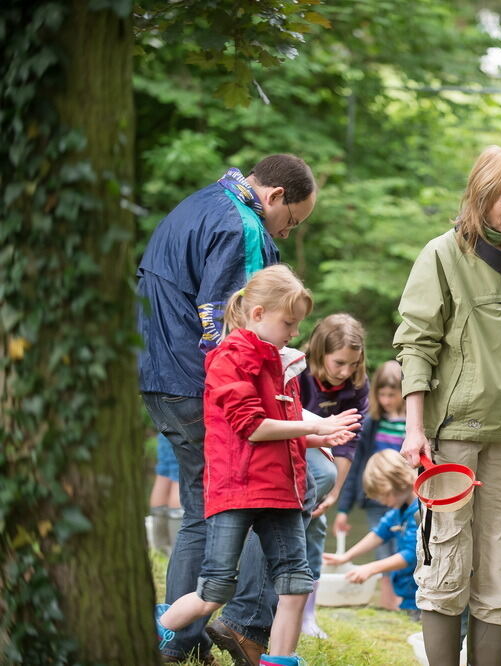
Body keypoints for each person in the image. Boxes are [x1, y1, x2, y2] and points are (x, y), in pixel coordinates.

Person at [394, 145, 501, 666]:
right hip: (453, 434)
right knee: (448, 560)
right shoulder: (442, 256)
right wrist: (413, 429)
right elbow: (416, 346)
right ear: (481, 198)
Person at [138, 154, 317, 663]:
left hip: (159, 377)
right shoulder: (243, 225)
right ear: (276, 197)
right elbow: (228, 321)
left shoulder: (194, 207)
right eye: (292, 221)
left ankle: (190, 635)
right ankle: (221, 628)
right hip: (198, 387)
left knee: (203, 509)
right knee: (242, 500)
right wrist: (278, 365)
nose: (286, 230)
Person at [154, 265, 360, 666]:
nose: (295, 332)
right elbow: (252, 427)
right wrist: (316, 422)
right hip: (239, 491)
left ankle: (279, 661)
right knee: (214, 591)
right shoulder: (229, 359)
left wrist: (317, 437)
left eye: (298, 324)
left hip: (281, 492)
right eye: (289, 322)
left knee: (296, 583)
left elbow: (279, 428)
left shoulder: (280, 363)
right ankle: (156, 633)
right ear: (258, 313)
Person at [296, 313, 370, 637]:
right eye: (339, 363)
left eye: (353, 364)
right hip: (287, 452)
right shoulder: (295, 372)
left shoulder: (356, 385)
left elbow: (349, 442)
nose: (346, 372)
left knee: (316, 527)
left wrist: (334, 493)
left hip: (323, 468)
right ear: (318, 352)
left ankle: (306, 615)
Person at [334, 360, 407, 610]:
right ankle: (388, 600)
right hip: (375, 497)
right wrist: (342, 509)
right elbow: (354, 467)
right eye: (382, 394)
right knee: (382, 547)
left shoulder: (413, 423)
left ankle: (402, 598)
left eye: (392, 394)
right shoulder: (371, 422)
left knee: (403, 545)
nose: (386, 400)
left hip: (402, 496)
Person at [323, 449, 421, 620]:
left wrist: (371, 568)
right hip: (409, 595)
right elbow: (379, 533)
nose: (381, 502)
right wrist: (345, 557)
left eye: (383, 496)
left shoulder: (419, 511)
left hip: (421, 596)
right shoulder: (400, 509)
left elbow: (411, 554)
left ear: (398, 484)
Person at [148, 433, 183, 555]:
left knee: (165, 470)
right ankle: (177, 550)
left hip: (165, 421)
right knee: (179, 473)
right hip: (185, 423)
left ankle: (161, 548)